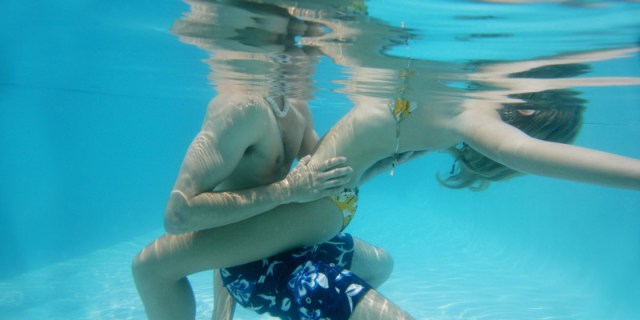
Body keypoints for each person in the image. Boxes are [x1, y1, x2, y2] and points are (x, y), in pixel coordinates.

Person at [134, 2, 640, 320]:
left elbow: (534, 156)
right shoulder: (453, 93)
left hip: (310, 215)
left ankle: (284, 288)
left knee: (154, 268)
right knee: (158, 266)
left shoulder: (471, 113)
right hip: (322, 210)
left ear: (530, 104)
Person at [133, 1, 409, 320]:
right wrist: (288, 189)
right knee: (148, 268)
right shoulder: (241, 110)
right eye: (301, 44)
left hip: (283, 240)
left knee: (381, 264)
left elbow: (334, 179)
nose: (317, 55)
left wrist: (396, 153)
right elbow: (178, 215)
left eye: (316, 45)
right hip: (253, 266)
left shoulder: (297, 109)